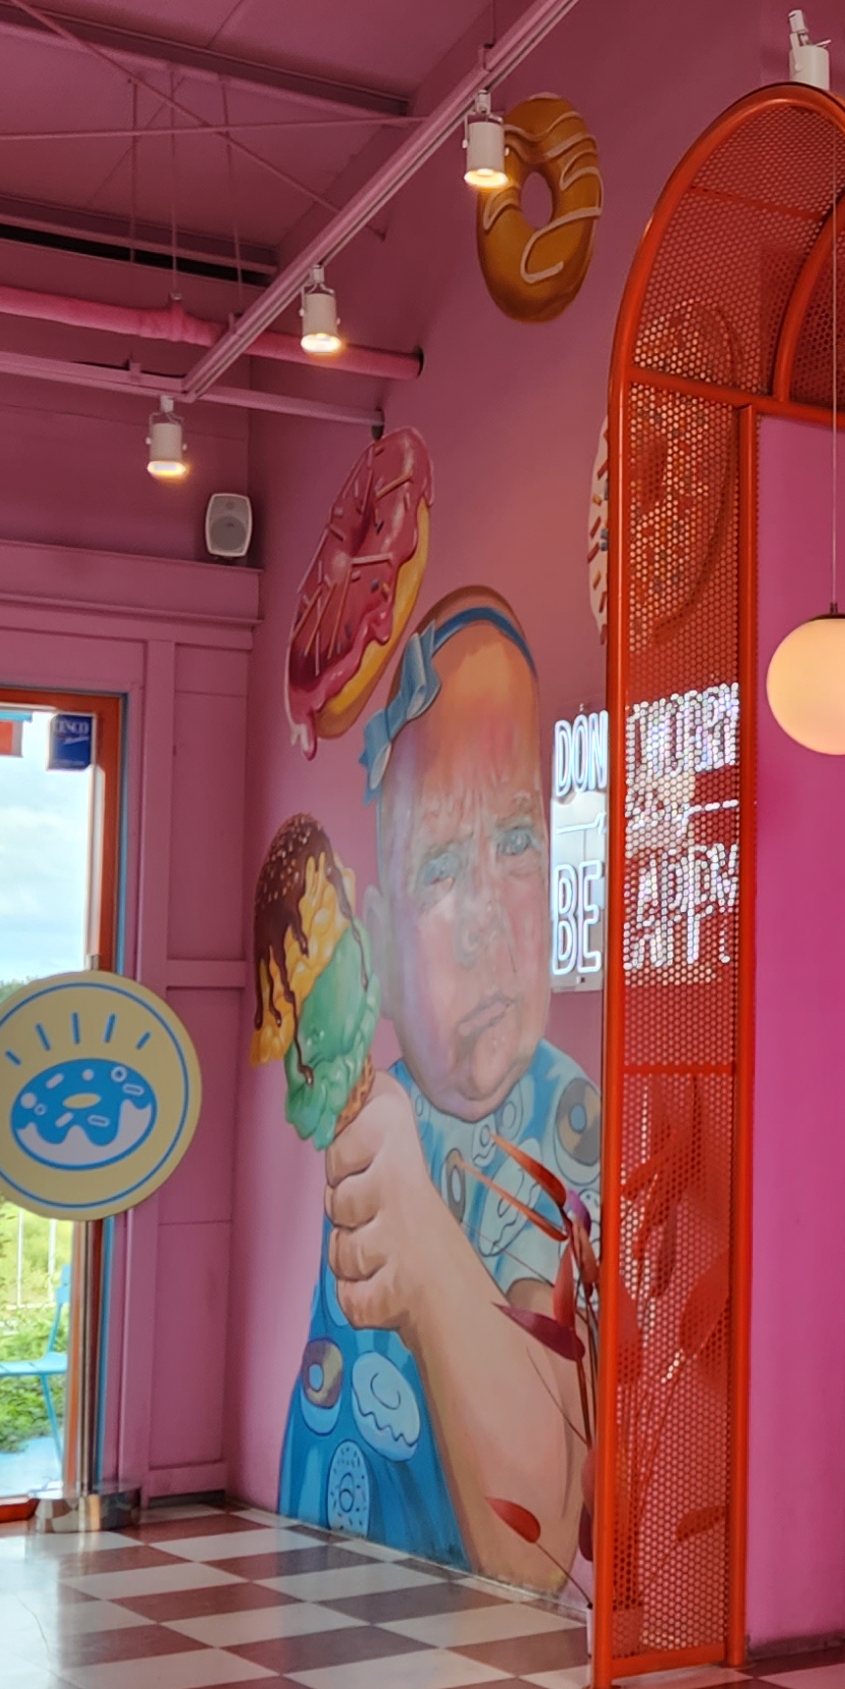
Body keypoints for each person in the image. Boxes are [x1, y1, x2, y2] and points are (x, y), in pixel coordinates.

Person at [272, 590, 599, 1590]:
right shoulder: (383, 1103)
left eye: (518, 841)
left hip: (468, 1643)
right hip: (326, 1584)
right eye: (442, 869)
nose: (486, 918)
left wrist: (422, 1249)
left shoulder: (562, 1121)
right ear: (376, 940)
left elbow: (537, 1542)